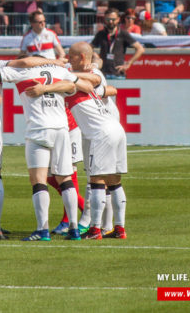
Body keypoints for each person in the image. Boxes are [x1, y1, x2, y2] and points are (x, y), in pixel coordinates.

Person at [0, 53, 93, 241]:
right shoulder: (59, 70)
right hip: (62, 128)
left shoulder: (21, 70)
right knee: (66, 178)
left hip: (38, 128)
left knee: (38, 181)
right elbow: (75, 86)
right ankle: (74, 229)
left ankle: (42, 230)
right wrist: (51, 87)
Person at [63, 41, 128, 240]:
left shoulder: (88, 77)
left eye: (71, 56)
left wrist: (64, 74)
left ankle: (95, 229)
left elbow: (94, 78)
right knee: (114, 182)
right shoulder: (88, 74)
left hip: (101, 132)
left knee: (96, 181)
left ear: (82, 58)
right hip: (115, 128)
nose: (68, 59)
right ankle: (119, 228)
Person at [91, 8, 145, 79]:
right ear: (104, 19)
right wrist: (95, 55)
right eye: (108, 19)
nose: (110, 21)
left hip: (118, 74)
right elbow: (89, 48)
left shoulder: (123, 34)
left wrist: (128, 64)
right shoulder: (101, 34)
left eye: (113, 19)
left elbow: (140, 49)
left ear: (118, 19)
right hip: (103, 74)